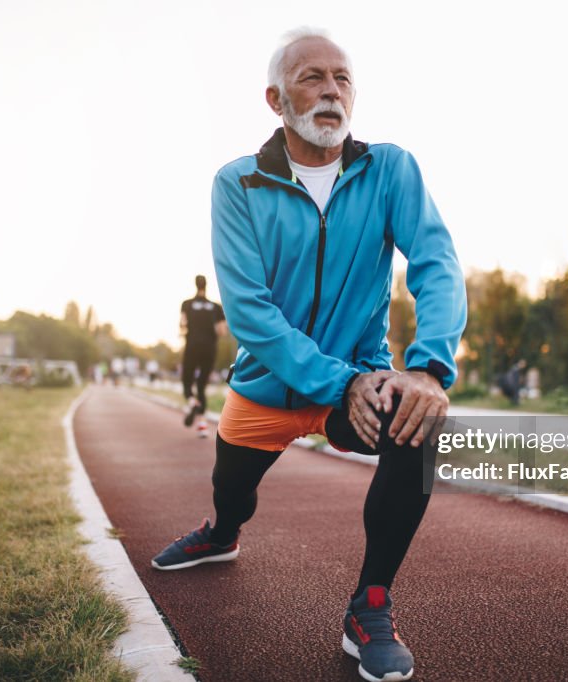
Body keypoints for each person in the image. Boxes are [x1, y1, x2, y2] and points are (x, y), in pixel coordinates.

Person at [152, 28, 467, 682]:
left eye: (342, 78)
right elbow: (251, 313)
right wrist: (340, 380)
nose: (330, 90)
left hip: (359, 378)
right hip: (265, 389)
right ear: (276, 98)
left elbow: (436, 264)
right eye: (311, 78)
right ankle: (222, 531)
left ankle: (370, 605)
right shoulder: (237, 184)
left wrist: (429, 367)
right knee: (232, 492)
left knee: (415, 421)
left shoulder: (390, 171)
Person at [180, 275, 227, 437]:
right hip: (209, 349)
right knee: (201, 386)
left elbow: (182, 324)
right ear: (206, 286)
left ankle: (192, 402)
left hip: (192, 346)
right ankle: (202, 426)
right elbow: (221, 331)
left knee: (187, 382)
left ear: (195, 285)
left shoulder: (187, 304)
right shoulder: (215, 307)